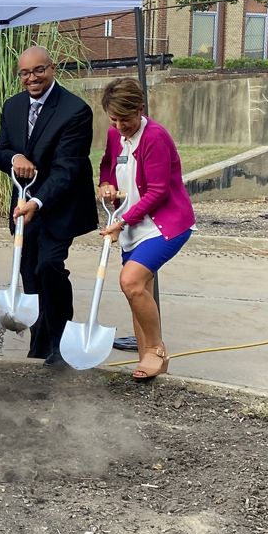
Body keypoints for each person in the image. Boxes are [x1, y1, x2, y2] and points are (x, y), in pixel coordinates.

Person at [0, 46, 98, 367]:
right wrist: (15, 158)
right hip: (24, 209)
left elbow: (68, 167)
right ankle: (39, 346)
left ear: (52, 69)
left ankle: (60, 342)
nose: (32, 78)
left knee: (49, 267)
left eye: (39, 70)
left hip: (59, 206)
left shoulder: (75, 110)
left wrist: (38, 200)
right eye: (25, 73)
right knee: (31, 277)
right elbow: (0, 152)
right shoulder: (12, 107)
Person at [96, 77, 194, 381]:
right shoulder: (115, 135)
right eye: (113, 119)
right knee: (138, 292)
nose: (120, 125)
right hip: (132, 228)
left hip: (164, 226)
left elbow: (158, 192)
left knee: (131, 282)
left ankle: (156, 349)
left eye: (125, 118)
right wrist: (106, 185)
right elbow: (106, 166)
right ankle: (148, 363)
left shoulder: (155, 138)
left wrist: (121, 221)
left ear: (141, 108)